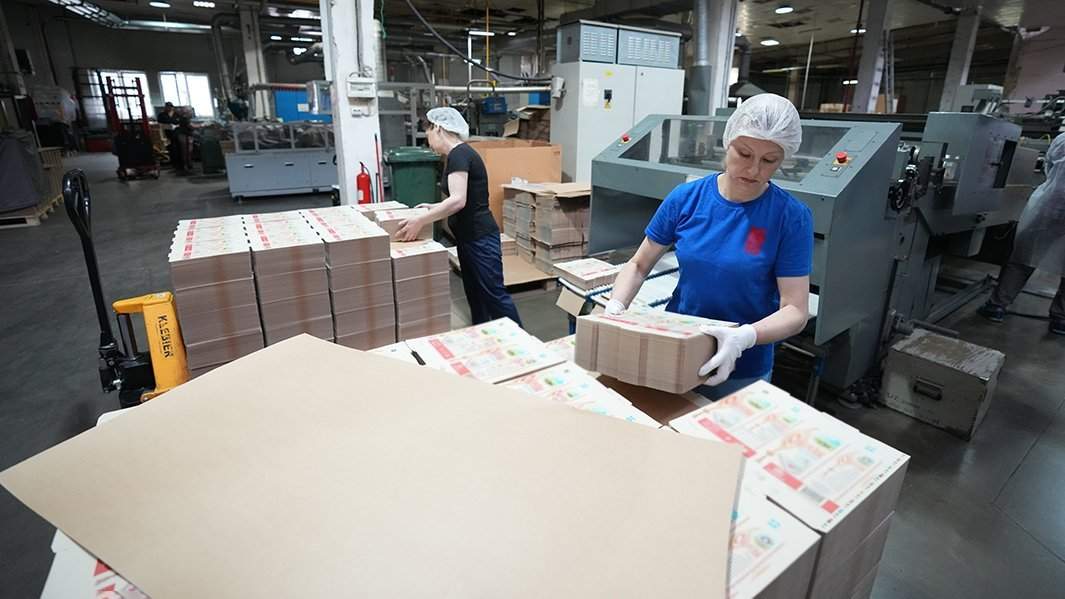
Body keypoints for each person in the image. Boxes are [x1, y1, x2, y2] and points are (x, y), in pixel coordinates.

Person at [606, 93, 812, 402]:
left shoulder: (790, 217)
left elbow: (795, 309)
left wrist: (746, 337)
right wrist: (615, 305)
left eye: (769, 160)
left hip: (743, 366)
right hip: (677, 346)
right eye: (744, 153)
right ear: (726, 144)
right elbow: (638, 265)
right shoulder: (686, 199)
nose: (754, 169)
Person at [395, 107, 522, 326]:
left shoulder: (459, 154)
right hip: (468, 238)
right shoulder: (456, 155)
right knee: (475, 295)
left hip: (480, 238)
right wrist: (433, 207)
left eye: (428, 134)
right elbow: (464, 198)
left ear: (438, 128)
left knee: (494, 295)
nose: (428, 142)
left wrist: (421, 220)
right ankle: (483, 334)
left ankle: (519, 340)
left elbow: (458, 200)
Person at [978, 134, 1065, 335]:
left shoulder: (1062, 139)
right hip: (1053, 205)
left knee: (1024, 257)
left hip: (1050, 205)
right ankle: (1061, 319)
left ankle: (997, 306)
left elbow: (1048, 166)